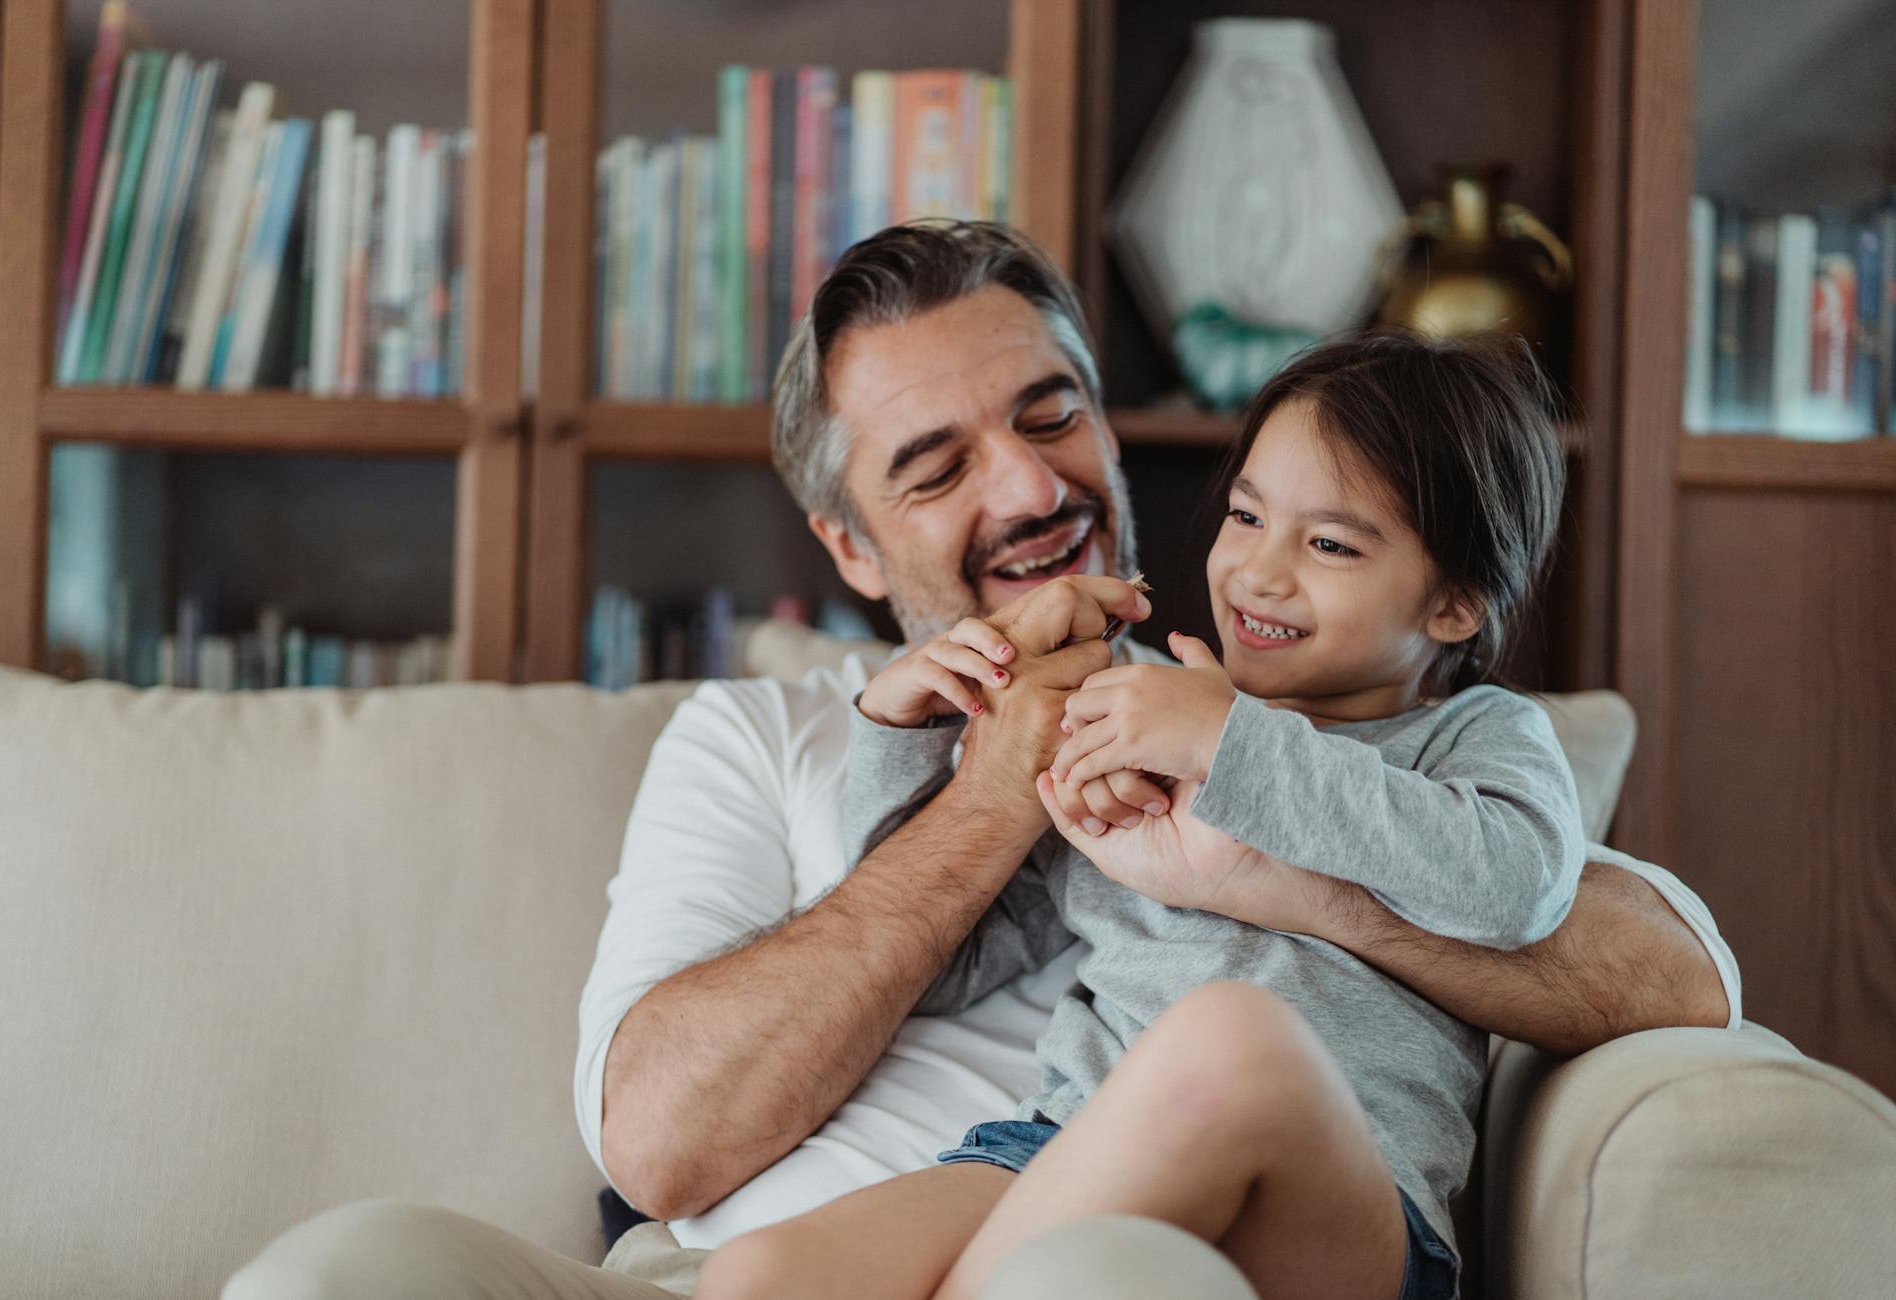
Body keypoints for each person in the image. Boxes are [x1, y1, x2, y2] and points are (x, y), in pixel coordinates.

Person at [223, 224, 1740, 1300]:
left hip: (1186, 1226)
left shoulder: (1335, 726)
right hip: (976, 1187)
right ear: (846, 544)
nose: (1026, 487)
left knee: (1213, 1068)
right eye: (935, 468)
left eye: (1049, 415)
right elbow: (664, 1139)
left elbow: (1652, 972)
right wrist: (969, 769)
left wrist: (1246, 827)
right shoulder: (770, 734)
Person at [695, 329, 1584, 1300]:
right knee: (763, 1270)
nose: (1257, 571)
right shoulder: (1137, 715)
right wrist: (910, 733)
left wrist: (1230, 743)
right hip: (1059, 1151)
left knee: (1232, 1040)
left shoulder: (1475, 736)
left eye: (1328, 543)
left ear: (1455, 603)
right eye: (1245, 514)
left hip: (1340, 1209)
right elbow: (940, 969)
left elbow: (1518, 887)